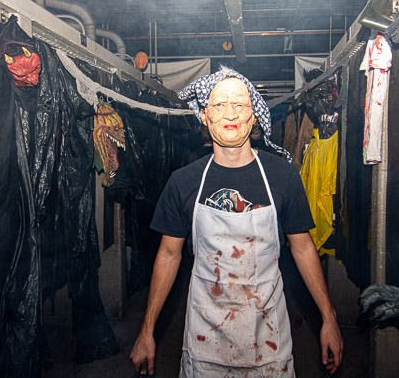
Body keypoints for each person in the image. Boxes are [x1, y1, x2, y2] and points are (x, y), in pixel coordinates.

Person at [129, 66, 343, 377]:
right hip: (205, 340)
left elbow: (303, 248)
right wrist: (147, 329)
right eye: (219, 104)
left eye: (239, 104)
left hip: (268, 339)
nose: (230, 113)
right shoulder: (183, 182)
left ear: (253, 116)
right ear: (204, 116)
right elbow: (169, 255)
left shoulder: (282, 176)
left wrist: (329, 317)